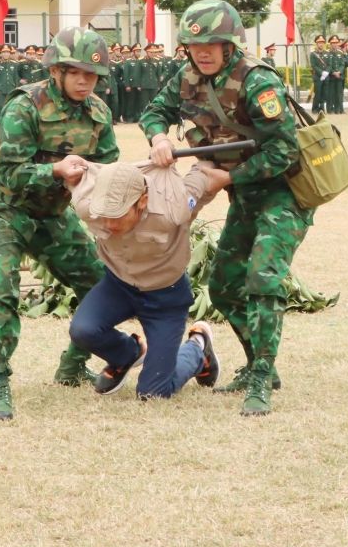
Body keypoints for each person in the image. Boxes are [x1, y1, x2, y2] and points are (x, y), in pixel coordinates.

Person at [140, 0, 312, 417]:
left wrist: (228, 178)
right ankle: (259, 363)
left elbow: (285, 151)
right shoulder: (188, 77)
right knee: (224, 286)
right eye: (195, 45)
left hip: (283, 193)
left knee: (263, 278)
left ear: (230, 45)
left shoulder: (257, 81)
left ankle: (260, 377)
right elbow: (154, 110)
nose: (203, 52)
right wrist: (159, 137)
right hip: (245, 196)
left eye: (213, 44)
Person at [0, 27, 121, 421]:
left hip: (53, 213)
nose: (85, 80)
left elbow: (106, 170)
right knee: (0, 285)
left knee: (103, 284)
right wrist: (55, 170)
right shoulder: (26, 106)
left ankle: (72, 365)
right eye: (76, 72)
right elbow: (12, 172)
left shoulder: (99, 113)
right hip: (4, 207)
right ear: (56, 70)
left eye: (92, 74)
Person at [68, 160, 231, 398]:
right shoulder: (87, 205)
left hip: (165, 296)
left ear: (142, 202)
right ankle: (128, 354)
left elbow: (202, 181)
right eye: (105, 215)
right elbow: (69, 171)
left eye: (118, 215)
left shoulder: (171, 209)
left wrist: (222, 172)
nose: (109, 224)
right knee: (83, 330)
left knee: (153, 393)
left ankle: (198, 349)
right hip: (118, 285)